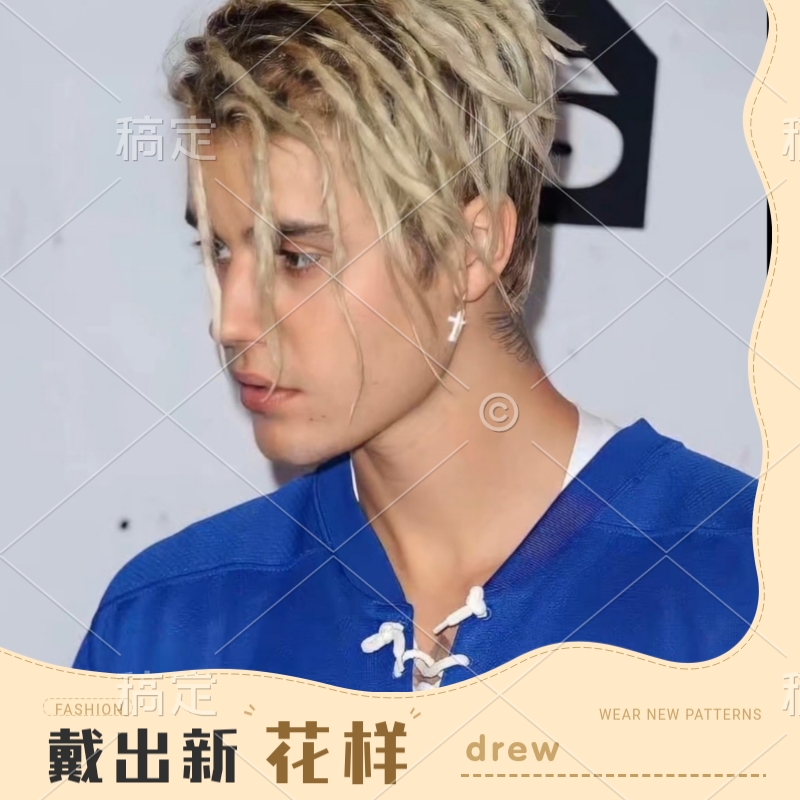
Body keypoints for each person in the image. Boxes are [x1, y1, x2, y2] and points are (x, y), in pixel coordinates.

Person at [73, 0, 759, 691]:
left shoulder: (747, 586)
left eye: (298, 257)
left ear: (471, 248)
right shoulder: (167, 623)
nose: (231, 321)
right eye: (219, 250)